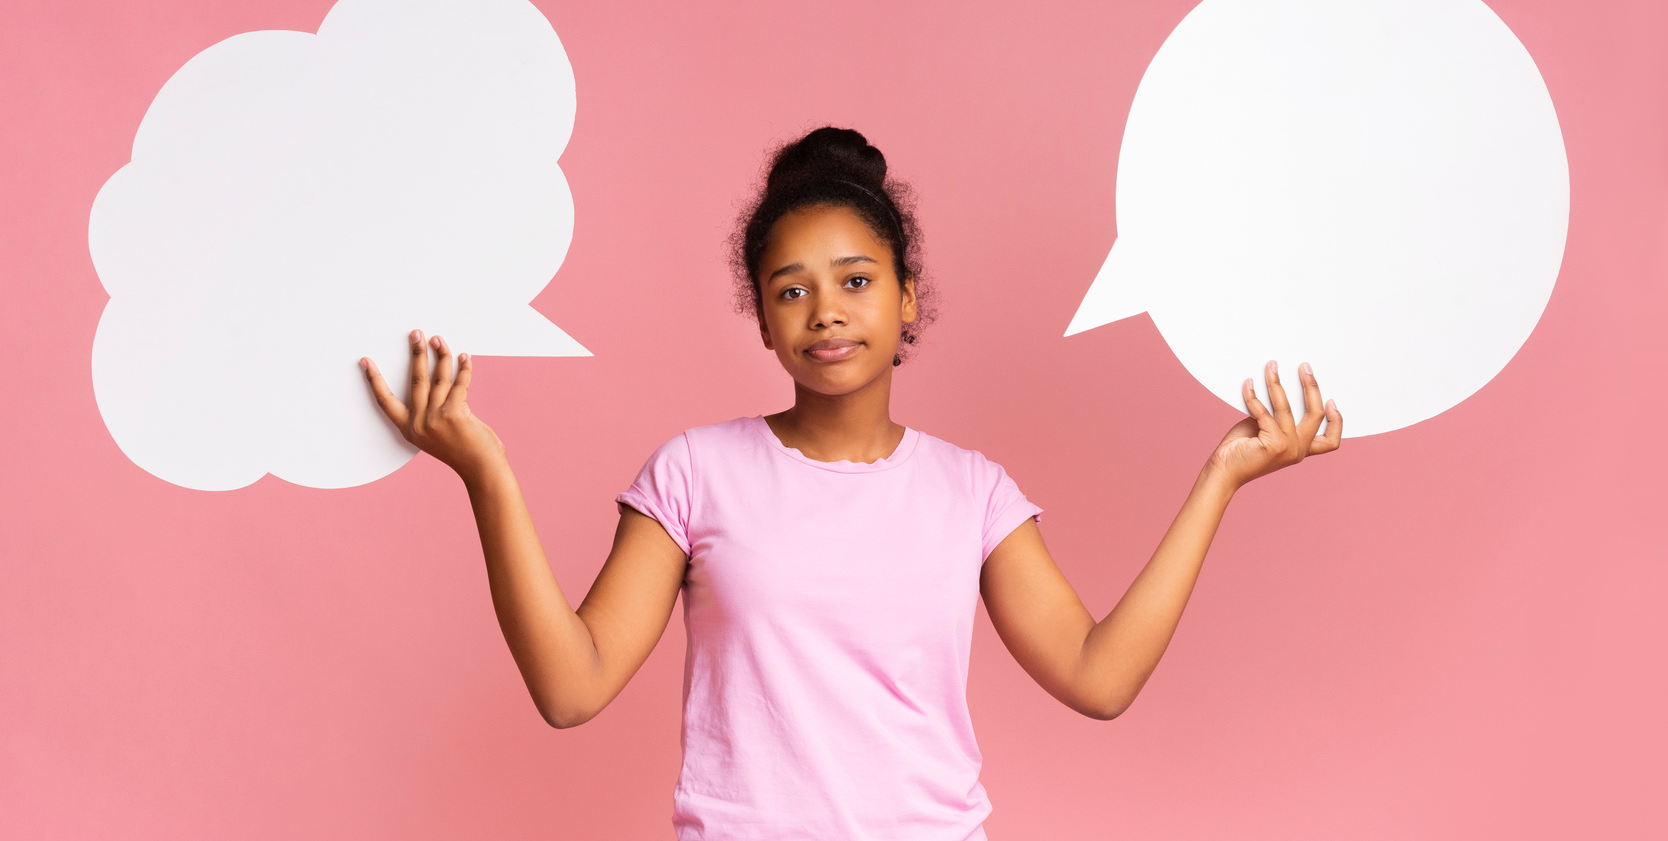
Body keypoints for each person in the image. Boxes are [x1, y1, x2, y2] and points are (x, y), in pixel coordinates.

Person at [359, 127, 1342, 840]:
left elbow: (1098, 675)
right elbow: (570, 688)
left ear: (909, 297)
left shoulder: (972, 492)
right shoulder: (695, 473)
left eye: (855, 279)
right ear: (764, 319)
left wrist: (1224, 476)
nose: (825, 310)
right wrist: (484, 472)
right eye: (792, 288)